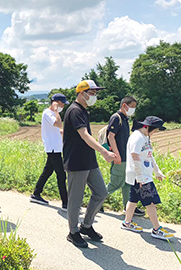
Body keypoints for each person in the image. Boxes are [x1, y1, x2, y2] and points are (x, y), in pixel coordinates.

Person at [63, 80, 116, 248]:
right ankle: (73, 232)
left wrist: (101, 150)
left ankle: (86, 226)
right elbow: (84, 135)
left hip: (89, 160)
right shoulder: (75, 110)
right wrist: (104, 152)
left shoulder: (84, 110)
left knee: (101, 192)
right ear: (81, 93)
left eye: (95, 93)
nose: (94, 96)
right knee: (75, 200)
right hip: (77, 161)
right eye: (91, 93)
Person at [121, 116, 173, 240]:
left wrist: (157, 171)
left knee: (133, 200)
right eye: (155, 130)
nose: (155, 132)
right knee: (150, 202)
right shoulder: (137, 137)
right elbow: (135, 156)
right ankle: (156, 229)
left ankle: (127, 223)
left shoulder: (145, 136)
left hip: (142, 175)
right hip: (140, 176)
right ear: (147, 127)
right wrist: (140, 177)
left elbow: (149, 156)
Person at [103, 96, 145, 216]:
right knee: (115, 183)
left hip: (127, 157)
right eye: (132, 107)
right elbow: (111, 136)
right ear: (124, 105)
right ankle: (96, 201)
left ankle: (129, 207)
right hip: (119, 157)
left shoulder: (125, 118)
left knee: (128, 183)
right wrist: (116, 155)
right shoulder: (116, 118)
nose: (133, 109)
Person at [30, 93, 69, 211]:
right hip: (53, 148)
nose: (63, 107)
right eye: (62, 104)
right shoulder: (48, 113)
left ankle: (36, 194)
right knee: (61, 175)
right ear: (55, 102)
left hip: (56, 148)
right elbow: (58, 123)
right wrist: (56, 110)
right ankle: (66, 203)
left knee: (47, 171)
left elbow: (57, 128)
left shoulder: (52, 114)